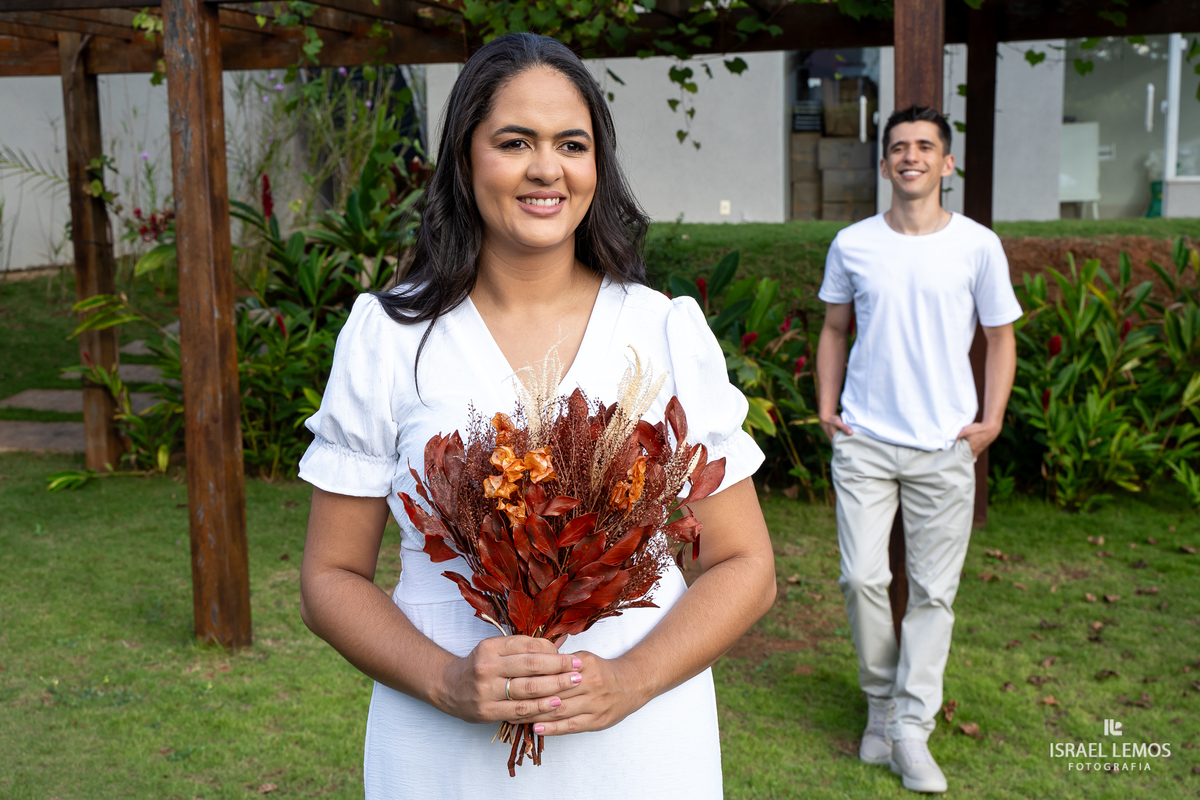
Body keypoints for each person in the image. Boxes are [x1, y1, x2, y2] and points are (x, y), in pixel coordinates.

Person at [297, 33, 776, 799]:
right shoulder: (389, 338)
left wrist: (632, 679)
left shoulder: (661, 331)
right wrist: (445, 680)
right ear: (465, 158)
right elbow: (330, 576)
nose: (547, 168)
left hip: (641, 752)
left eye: (571, 145)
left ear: (597, 165)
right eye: (514, 142)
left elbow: (746, 565)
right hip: (443, 756)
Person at [815, 106, 1020, 794]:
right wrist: (827, 406)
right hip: (865, 442)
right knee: (861, 579)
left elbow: (1000, 337)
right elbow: (834, 328)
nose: (911, 156)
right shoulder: (853, 244)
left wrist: (992, 421)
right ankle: (880, 702)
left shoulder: (978, 246)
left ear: (945, 163)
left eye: (925, 146)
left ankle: (910, 727)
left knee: (933, 594)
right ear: (884, 164)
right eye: (899, 146)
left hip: (944, 446)